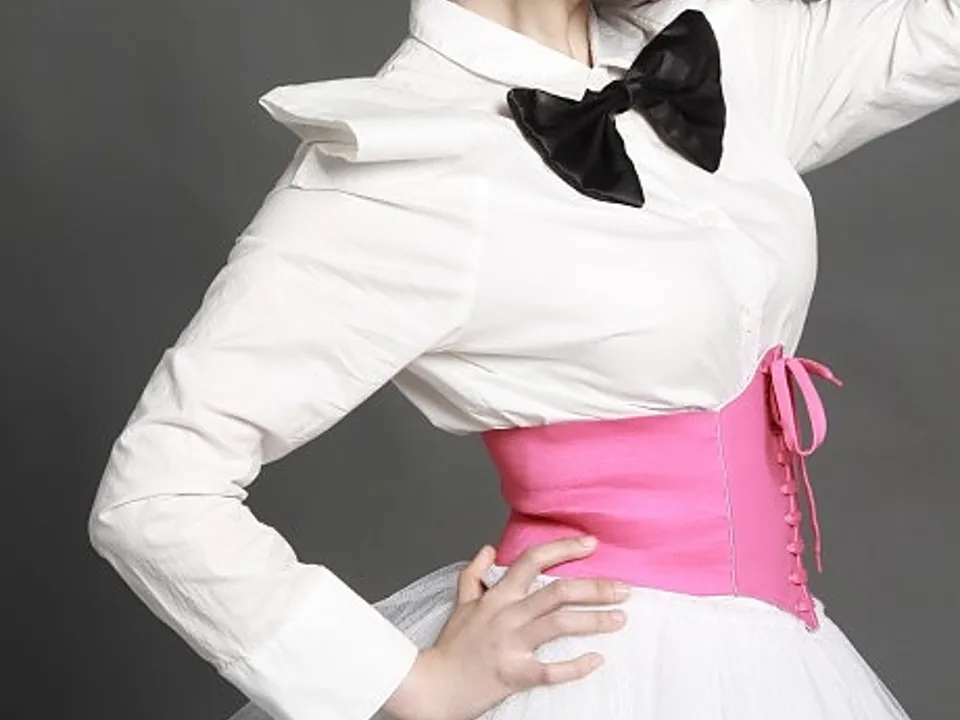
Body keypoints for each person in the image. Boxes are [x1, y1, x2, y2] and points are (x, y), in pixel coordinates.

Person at [87, 0, 960, 719]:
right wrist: (402, 686)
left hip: (775, 668)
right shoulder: (407, 163)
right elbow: (156, 491)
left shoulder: (710, 45)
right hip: (593, 671)